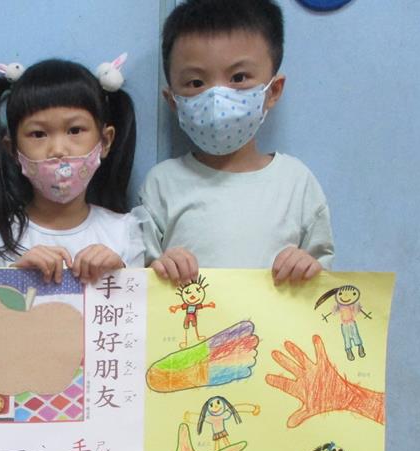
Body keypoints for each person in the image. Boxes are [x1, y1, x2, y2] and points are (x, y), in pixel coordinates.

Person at [141, 0, 334, 285]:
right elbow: (138, 280)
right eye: (196, 83)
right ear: (173, 101)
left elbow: (324, 280)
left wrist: (307, 267)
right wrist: (160, 267)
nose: (217, 97)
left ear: (273, 90)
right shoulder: (162, 184)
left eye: (238, 77)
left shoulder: (296, 183)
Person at [0, 56, 147, 284]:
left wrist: (120, 275)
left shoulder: (125, 233)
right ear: (13, 150)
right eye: (38, 134)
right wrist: (14, 278)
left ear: (105, 141)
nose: (58, 150)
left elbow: (142, 304)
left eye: (75, 130)